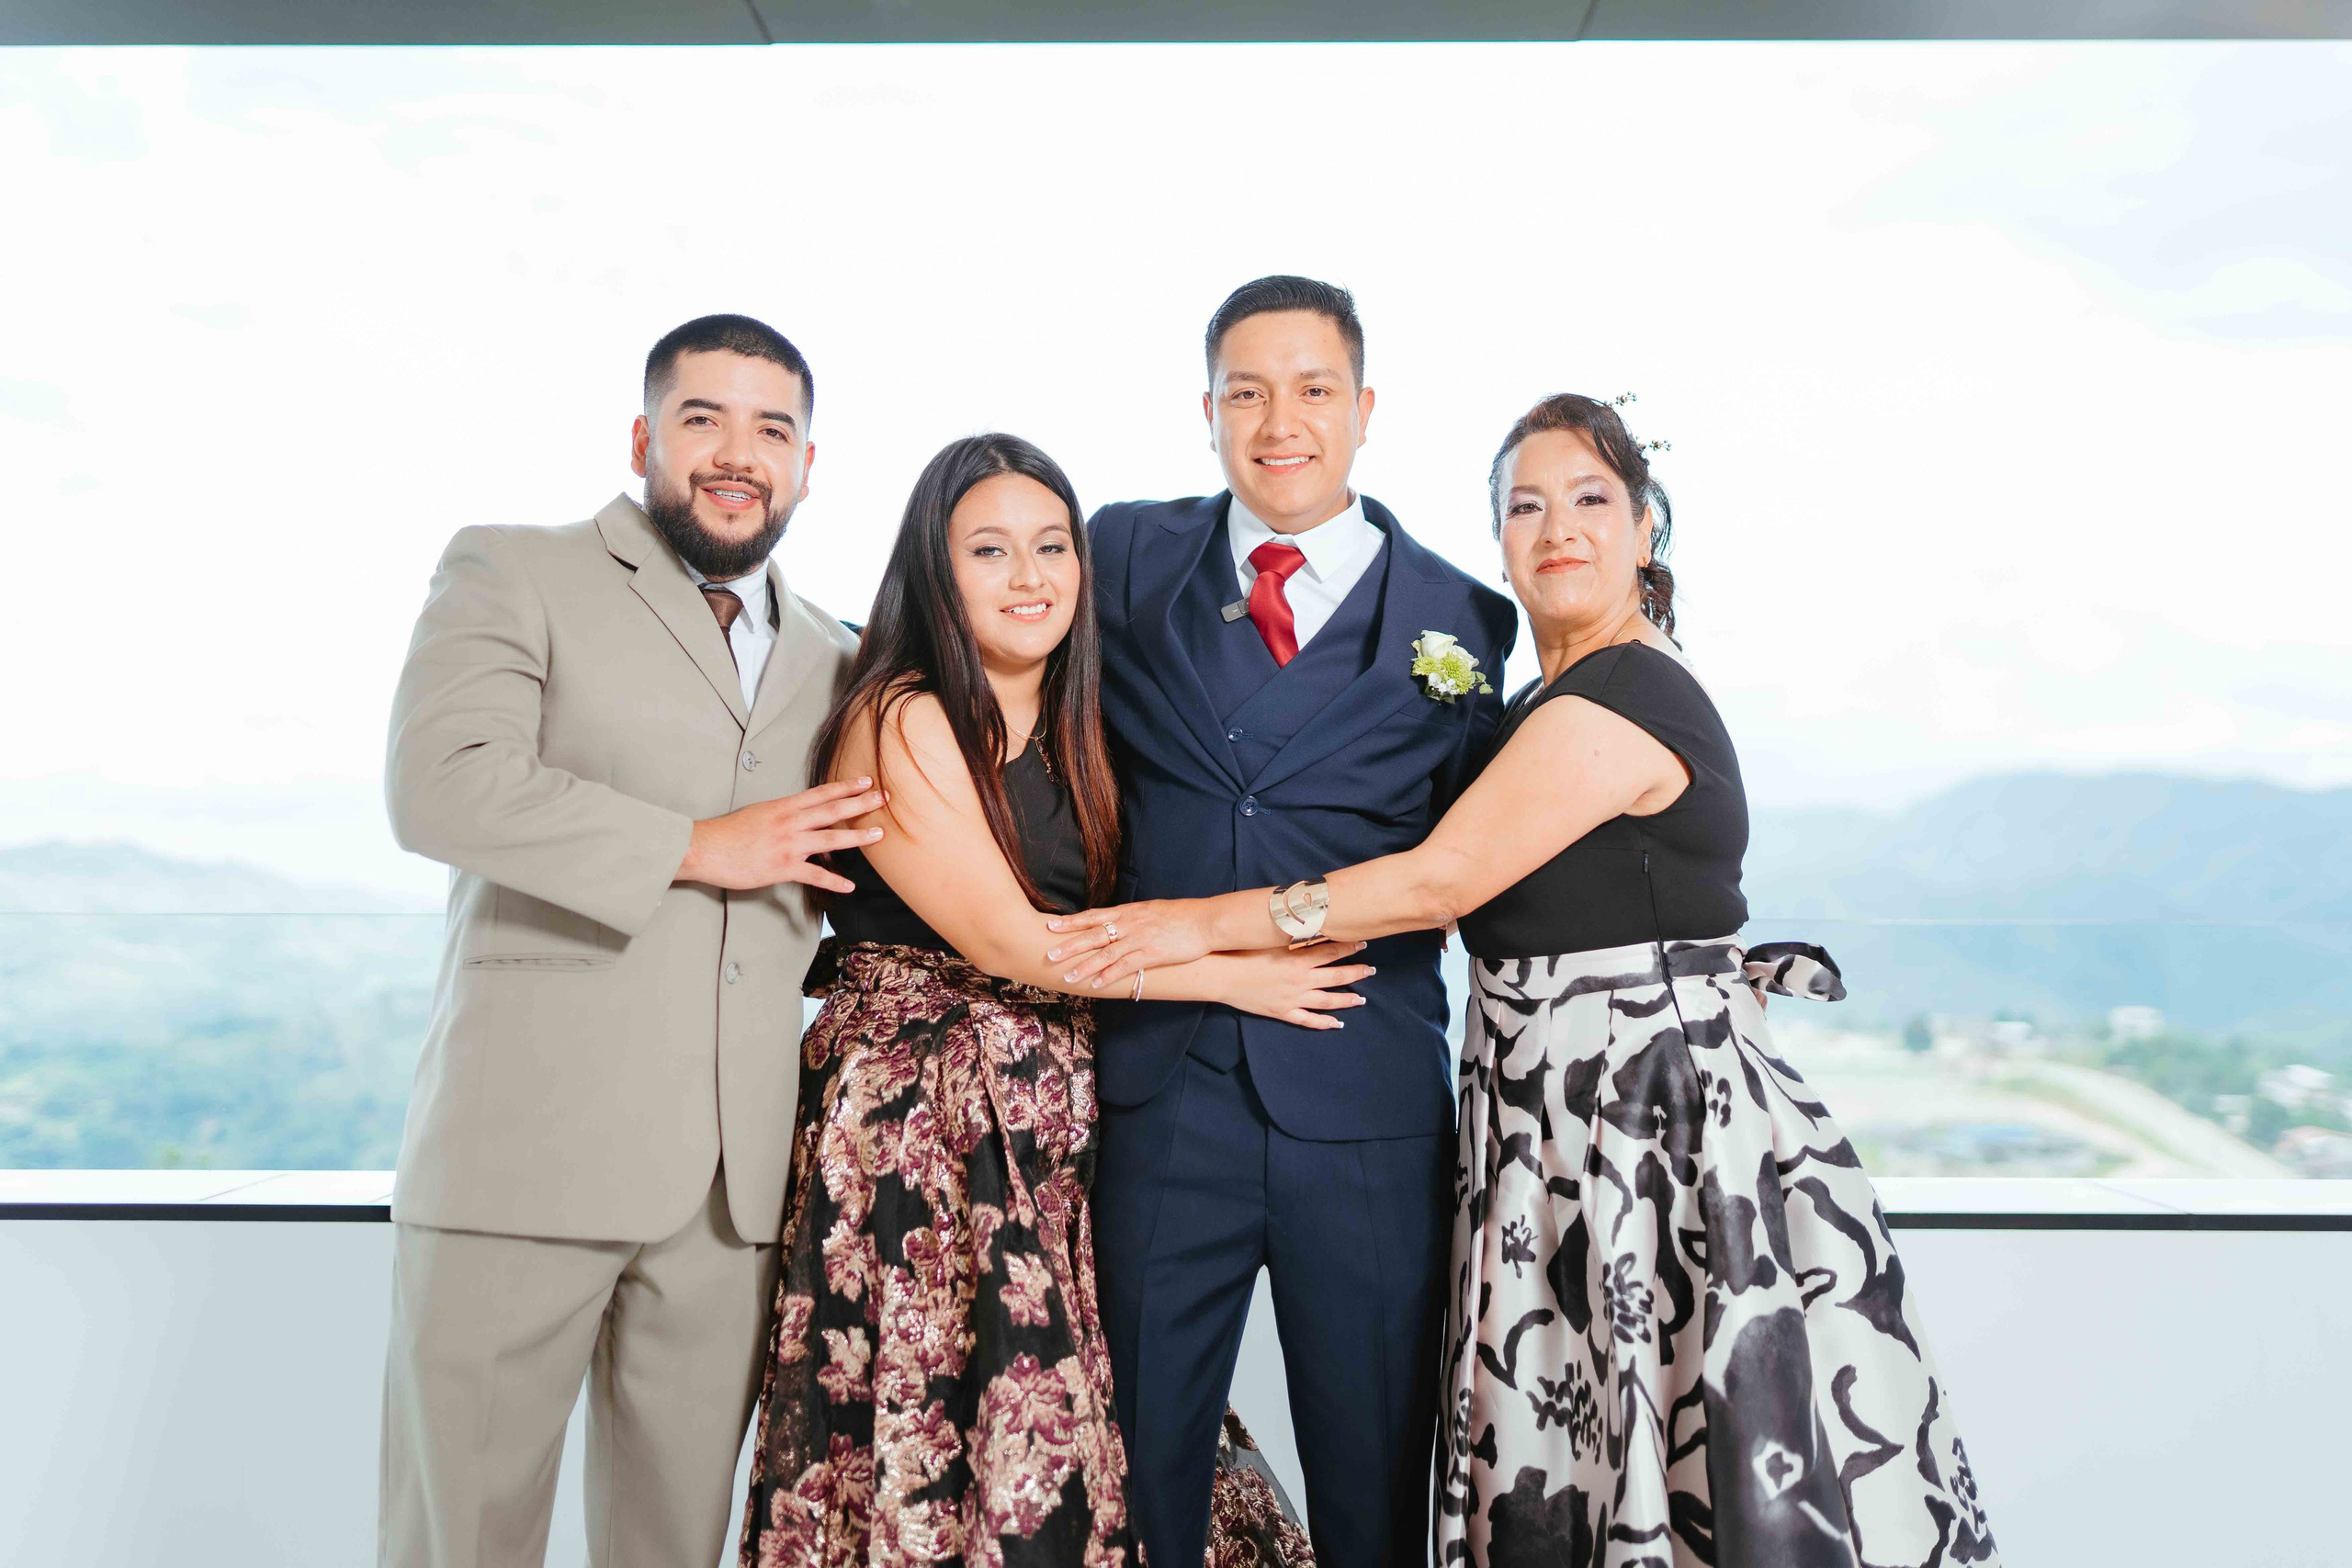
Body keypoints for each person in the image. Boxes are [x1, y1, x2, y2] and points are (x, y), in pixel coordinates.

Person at [1045, 394, 2000, 1566]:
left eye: (1591, 500)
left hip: (1639, 1149)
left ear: (1646, 531)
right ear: (1498, 535)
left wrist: (1190, 931)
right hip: (1550, 1131)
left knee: (1672, 1465)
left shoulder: (1624, 695)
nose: (1559, 527)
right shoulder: (1540, 700)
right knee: (1594, 1468)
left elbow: (1432, 883)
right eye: (1525, 505)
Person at [740, 433, 1349, 1565]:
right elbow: (1016, 945)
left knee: (1080, 1453)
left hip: (1044, 1142)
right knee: (936, 1445)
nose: (1029, 576)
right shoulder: (904, 713)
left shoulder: (1080, 727)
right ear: (935, 569)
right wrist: (1236, 974)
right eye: (989, 549)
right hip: (918, 1141)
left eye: (1051, 546)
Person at [379, 314, 881, 1568]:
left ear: (808, 464)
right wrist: (700, 844)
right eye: (703, 418)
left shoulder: (845, 653)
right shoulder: (513, 568)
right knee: (462, 1540)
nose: (737, 453)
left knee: (672, 1546)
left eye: (772, 428)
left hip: (729, 1197)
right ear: (645, 435)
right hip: (520, 1166)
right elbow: (440, 784)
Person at [1063, 276, 1518, 1567]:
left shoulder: (1465, 621)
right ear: (1207, 410)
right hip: (1161, 1095)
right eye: (1247, 391)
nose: (1281, 420)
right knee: (1135, 1467)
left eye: (1313, 388)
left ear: (1364, 409)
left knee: (1375, 1478)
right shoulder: (1120, 556)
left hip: (1367, 1108)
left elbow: (1484, 863)